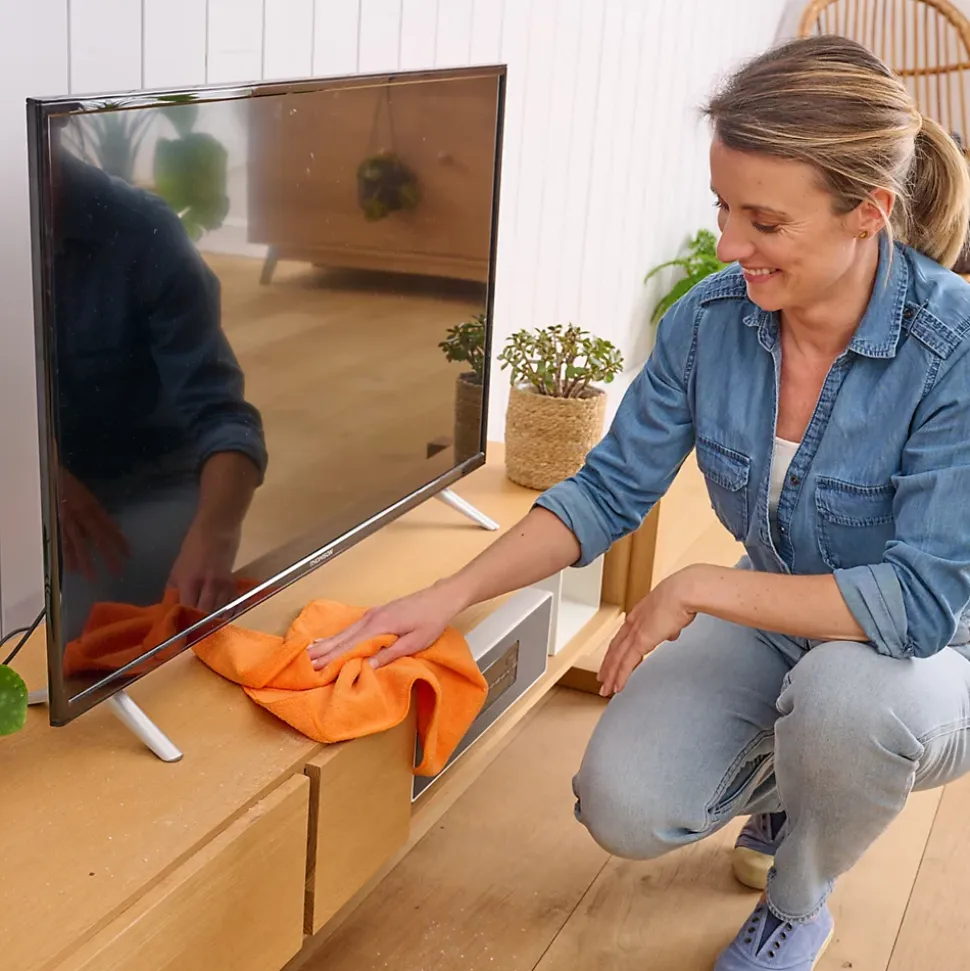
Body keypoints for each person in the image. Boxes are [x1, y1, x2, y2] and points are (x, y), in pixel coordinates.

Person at [307, 35, 970, 970]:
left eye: (764, 222)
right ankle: (804, 779)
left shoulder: (953, 351)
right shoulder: (711, 320)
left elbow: (918, 605)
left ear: (869, 211)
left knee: (847, 704)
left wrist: (695, 585)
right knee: (623, 802)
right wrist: (447, 596)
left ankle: (799, 898)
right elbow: (608, 488)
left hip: (931, 659)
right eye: (722, 208)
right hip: (780, 612)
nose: (728, 246)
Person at [50, 145, 268, 640]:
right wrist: (43, 469)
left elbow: (223, 415)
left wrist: (216, 532)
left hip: (146, 486)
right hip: (28, 484)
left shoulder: (142, 233)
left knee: (77, 638)